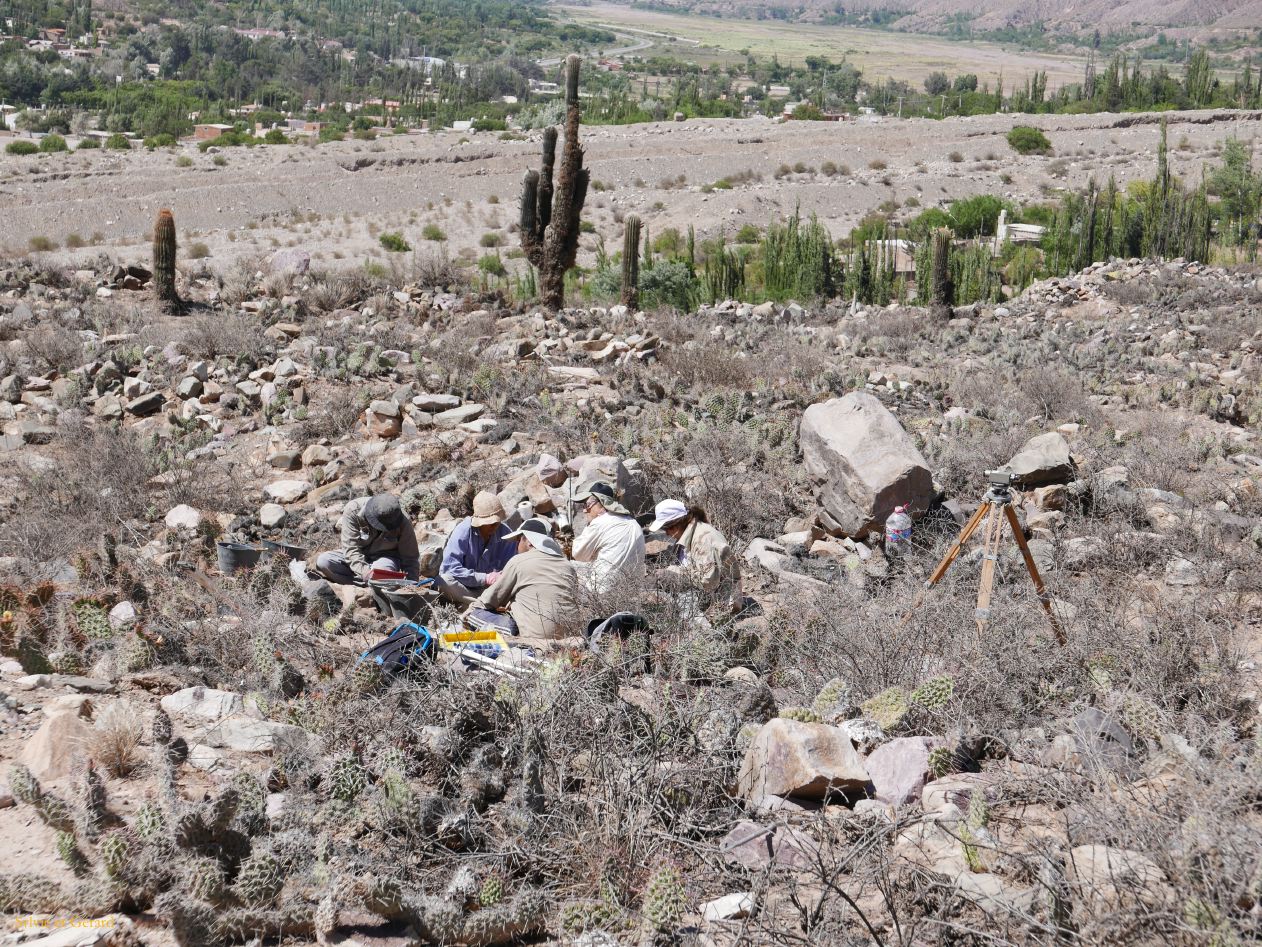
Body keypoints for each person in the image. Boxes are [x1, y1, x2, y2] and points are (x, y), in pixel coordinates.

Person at [469, 518, 580, 649]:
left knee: (475, 614)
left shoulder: (519, 561)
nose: (516, 546)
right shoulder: (569, 567)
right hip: (570, 637)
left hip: (535, 641)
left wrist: (466, 615)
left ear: (529, 541)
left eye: (518, 540)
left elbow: (487, 601)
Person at [648, 499, 743, 613]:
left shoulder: (703, 539)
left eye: (667, 528)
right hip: (704, 591)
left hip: (720, 599)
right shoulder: (688, 534)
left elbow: (709, 581)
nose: (667, 533)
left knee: (662, 578)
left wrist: (674, 571)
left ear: (678, 523)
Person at [315, 494, 419, 584]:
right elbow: (351, 550)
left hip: (385, 559)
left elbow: (410, 558)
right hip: (359, 555)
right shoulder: (353, 510)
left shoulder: (403, 521)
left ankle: (377, 585)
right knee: (324, 561)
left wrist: (412, 583)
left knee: (382, 572)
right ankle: (365, 585)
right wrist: (365, 572)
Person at [438, 491, 518, 604]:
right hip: (465, 587)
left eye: (497, 523)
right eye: (490, 524)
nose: (494, 527)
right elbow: (449, 568)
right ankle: (483, 604)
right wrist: (484, 578)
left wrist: (501, 577)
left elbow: (512, 565)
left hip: (492, 589)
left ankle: (481, 603)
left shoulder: (505, 533)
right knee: (444, 582)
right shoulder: (463, 531)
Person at [571, 481, 646, 595]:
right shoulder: (634, 523)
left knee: (565, 568)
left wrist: (590, 524)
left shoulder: (600, 522)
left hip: (601, 593)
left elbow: (578, 554)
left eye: (587, 505)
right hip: (631, 592)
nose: (585, 510)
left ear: (601, 503)